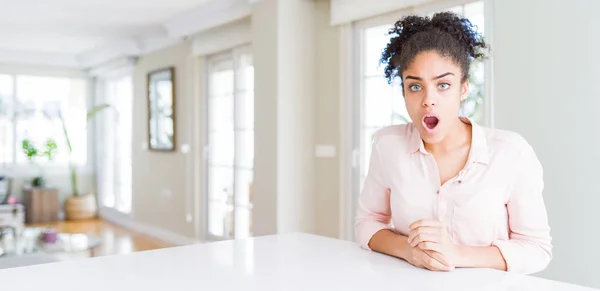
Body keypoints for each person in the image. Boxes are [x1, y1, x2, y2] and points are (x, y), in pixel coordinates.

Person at [354, 11, 552, 274]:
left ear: (463, 88)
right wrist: (408, 251)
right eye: (415, 87)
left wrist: (456, 254)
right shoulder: (388, 145)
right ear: (403, 91)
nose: (428, 100)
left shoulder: (511, 152)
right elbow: (367, 222)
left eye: (443, 85)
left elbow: (537, 250)